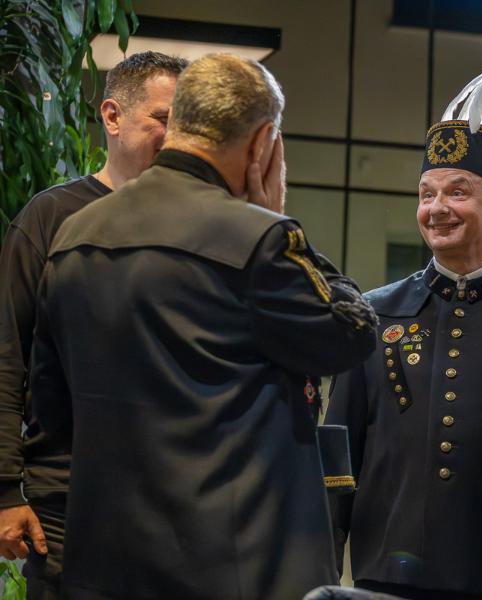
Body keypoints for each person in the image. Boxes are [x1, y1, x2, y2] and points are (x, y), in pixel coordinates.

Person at [28, 53, 377, 599]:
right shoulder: (257, 241)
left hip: (105, 564)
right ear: (263, 144)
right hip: (235, 567)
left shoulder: (73, 236)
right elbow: (352, 333)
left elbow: (48, 409)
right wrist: (274, 217)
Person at [325, 51, 482, 600]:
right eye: (427, 194)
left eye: (457, 192)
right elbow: (339, 451)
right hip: (383, 577)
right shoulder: (372, 314)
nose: (437, 208)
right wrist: (320, 561)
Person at [0, 50, 187, 598]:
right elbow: (6, 357)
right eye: (162, 118)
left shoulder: (204, 225)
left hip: (180, 505)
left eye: (186, 123)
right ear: (112, 116)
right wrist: (5, 490)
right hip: (69, 503)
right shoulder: (51, 218)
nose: (176, 136)